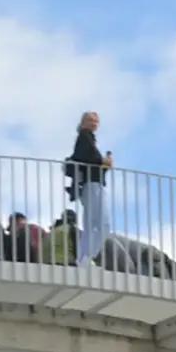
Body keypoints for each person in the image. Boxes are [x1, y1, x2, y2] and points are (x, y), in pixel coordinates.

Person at [64, 111, 113, 266]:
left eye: (96, 121)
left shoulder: (87, 138)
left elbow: (89, 159)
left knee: (92, 224)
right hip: (92, 184)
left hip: (91, 184)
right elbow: (87, 157)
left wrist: (104, 165)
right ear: (83, 122)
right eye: (90, 120)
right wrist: (103, 161)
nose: (94, 123)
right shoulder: (85, 136)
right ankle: (85, 258)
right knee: (102, 224)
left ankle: (84, 258)